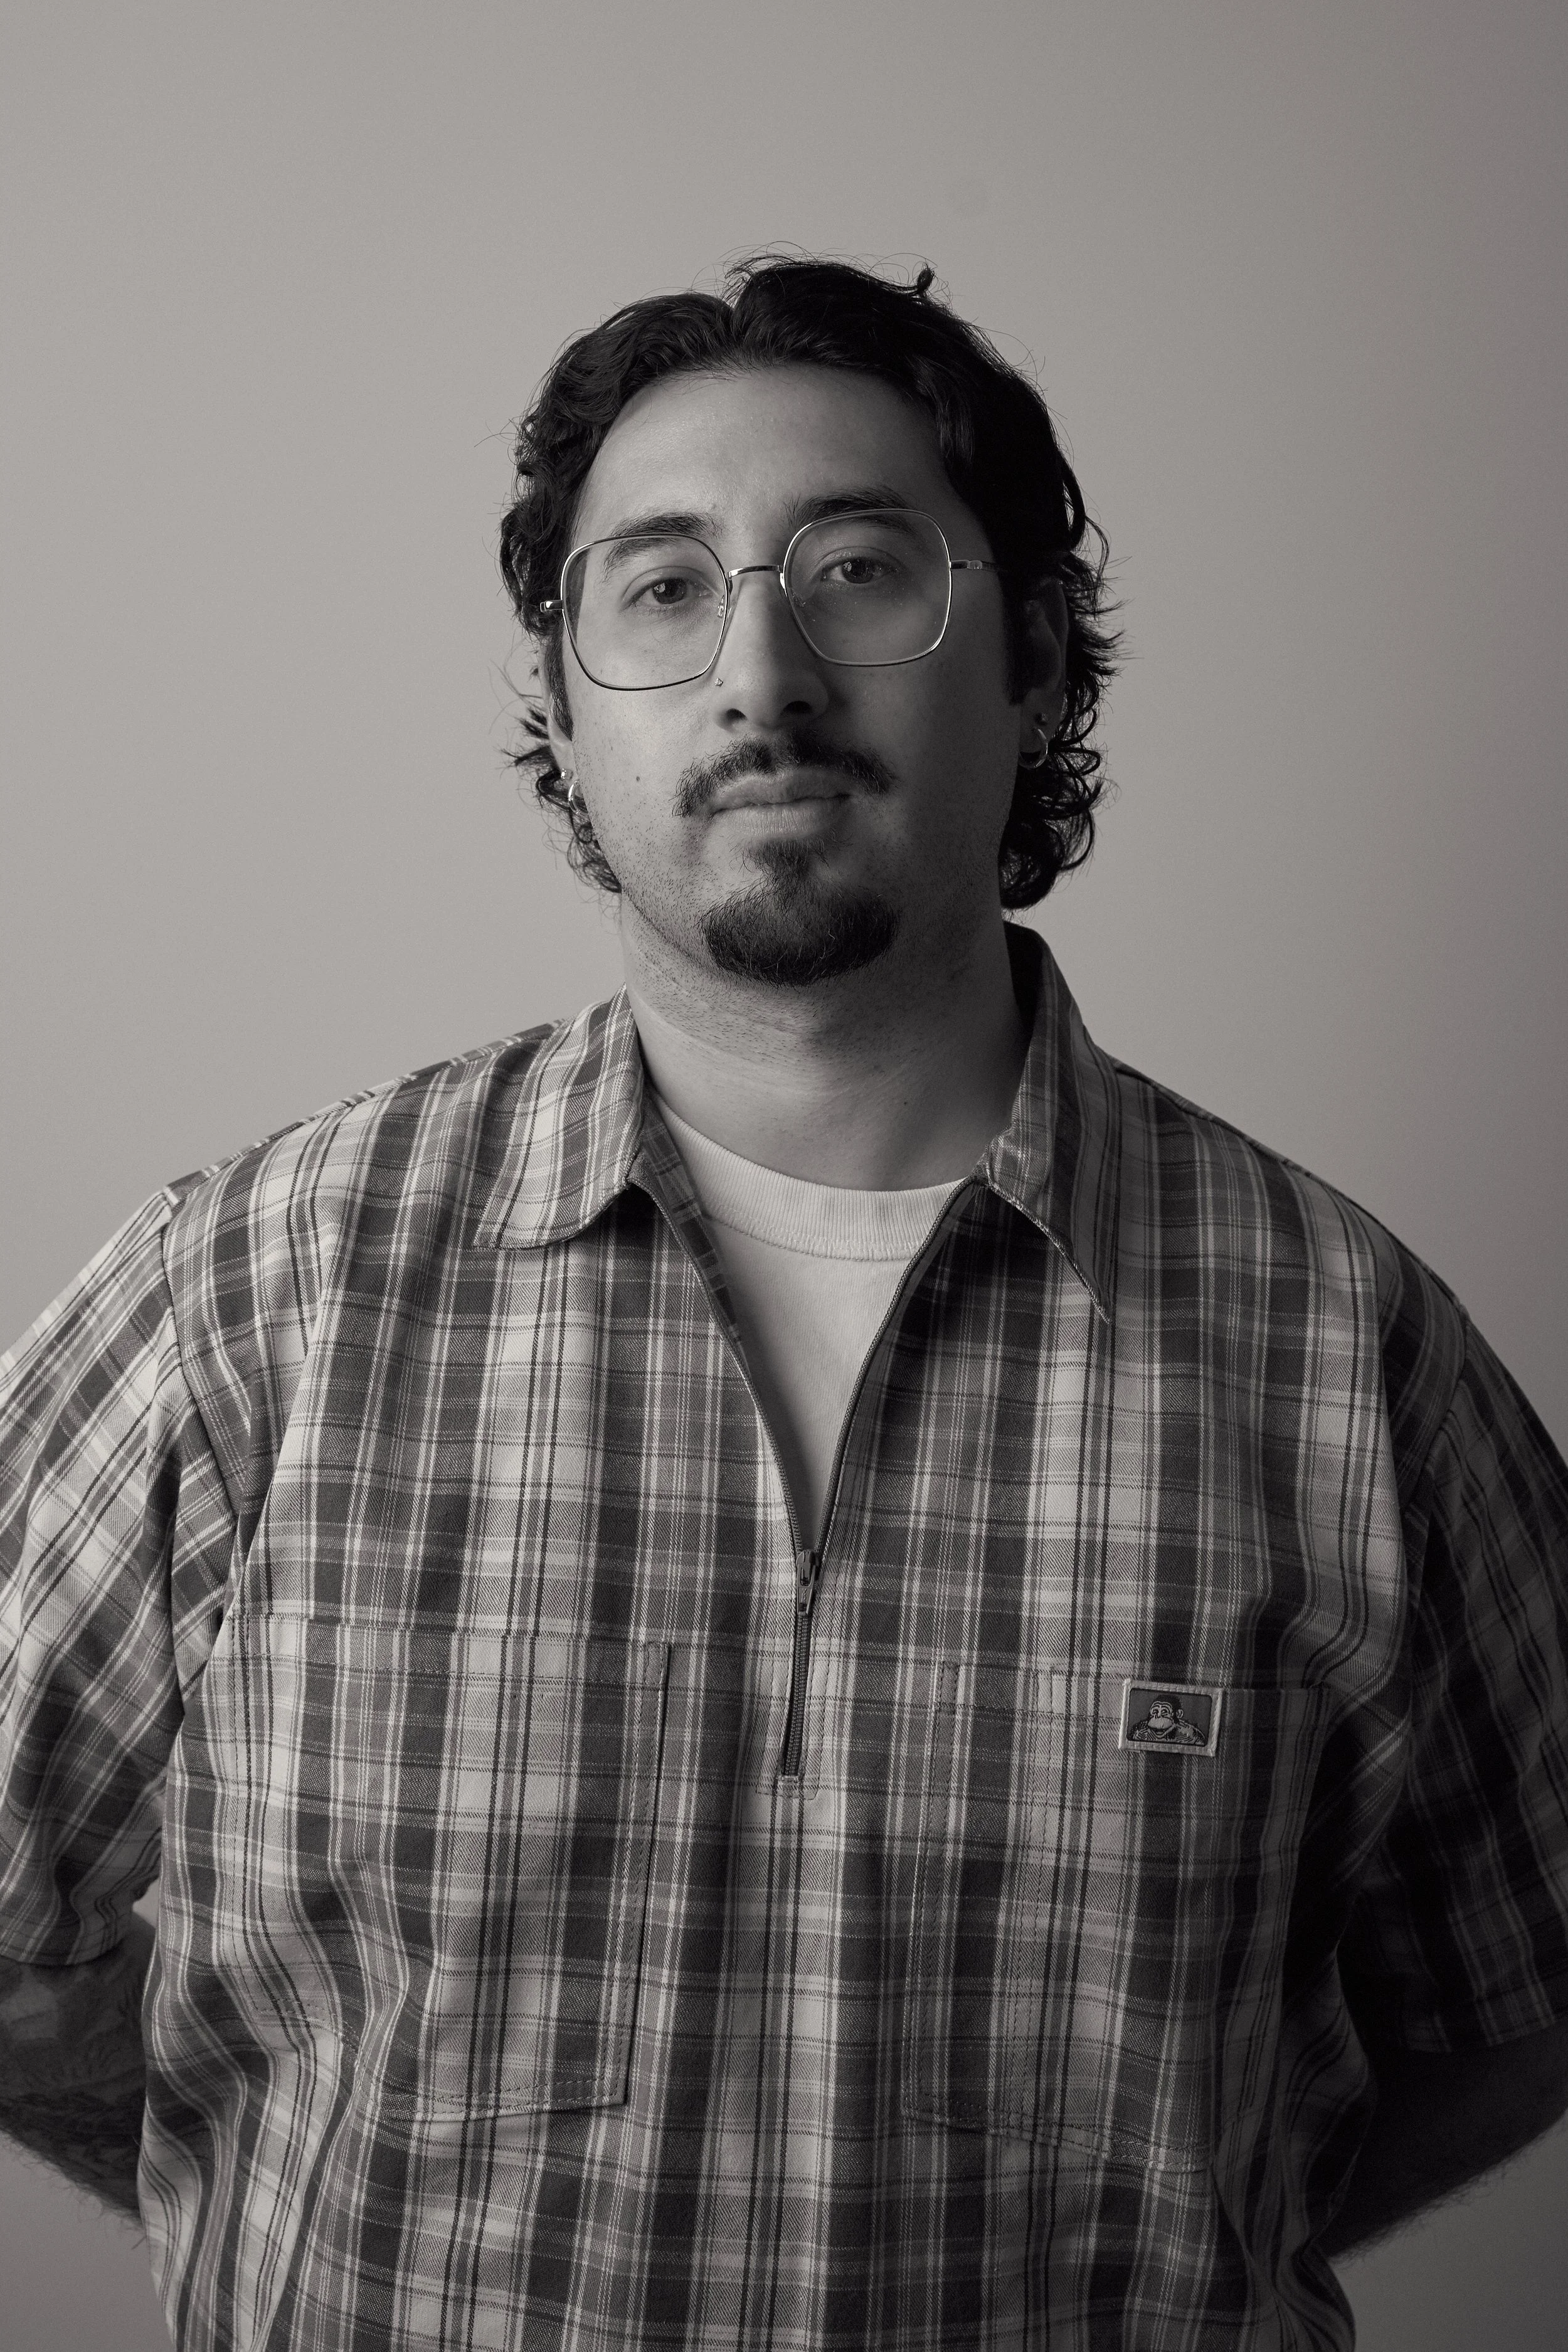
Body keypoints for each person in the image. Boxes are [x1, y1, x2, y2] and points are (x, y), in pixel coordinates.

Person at [2, 253, 1566, 2352]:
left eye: (856, 569)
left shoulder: (1339, 1343)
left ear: (1030, 666)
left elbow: (1515, 1999)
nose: (760, 672)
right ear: (564, 707)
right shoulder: (251, 1293)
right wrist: (256, 2178)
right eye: (658, 586)